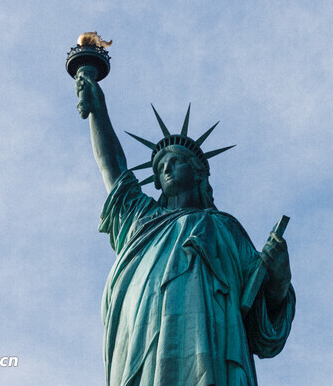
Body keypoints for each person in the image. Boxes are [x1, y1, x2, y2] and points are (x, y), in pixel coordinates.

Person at [76, 70, 294, 385]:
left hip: (209, 343)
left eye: (175, 161)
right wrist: (98, 111)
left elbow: (263, 318)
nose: (165, 167)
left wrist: (279, 278)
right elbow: (113, 170)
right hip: (143, 334)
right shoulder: (141, 219)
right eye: (159, 166)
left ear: (198, 175)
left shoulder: (224, 228)